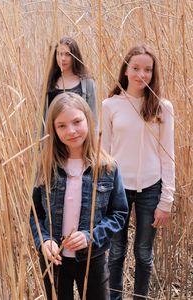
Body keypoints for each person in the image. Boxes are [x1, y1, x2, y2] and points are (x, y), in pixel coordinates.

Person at [30, 92, 128, 300]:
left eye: (77, 121)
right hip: (54, 260)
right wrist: (44, 241)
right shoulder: (45, 168)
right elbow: (35, 214)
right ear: (53, 130)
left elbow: (119, 213)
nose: (71, 131)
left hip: (93, 258)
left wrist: (89, 236)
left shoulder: (107, 168)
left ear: (88, 120)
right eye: (62, 126)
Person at [102, 45, 175, 300]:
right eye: (135, 68)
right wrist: (102, 194)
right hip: (117, 189)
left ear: (153, 73)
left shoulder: (162, 108)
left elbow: (168, 155)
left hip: (151, 188)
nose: (141, 75)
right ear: (125, 70)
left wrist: (166, 200)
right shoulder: (110, 105)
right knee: (117, 251)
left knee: (143, 253)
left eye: (147, 70)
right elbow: (104, 155)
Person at [45, 36, 97, 124]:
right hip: (53, 135)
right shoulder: (49, 82)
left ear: (75, 56)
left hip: (77, 135)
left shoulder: (87, 83)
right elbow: (41, 118)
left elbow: (93, 117)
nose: (63, 58)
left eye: (67, 54)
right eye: (59, 54)